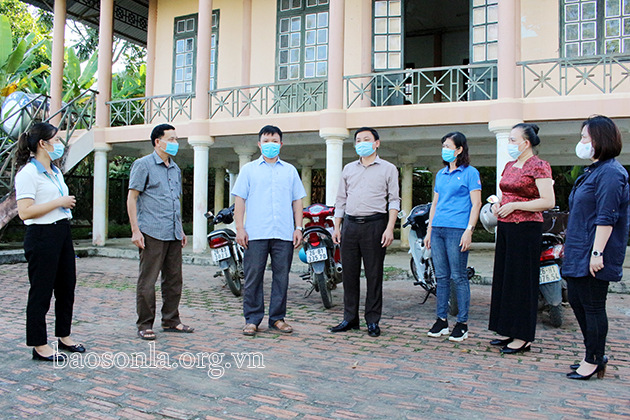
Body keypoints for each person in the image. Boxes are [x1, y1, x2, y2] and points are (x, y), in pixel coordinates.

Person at [562, 115, 629, 380]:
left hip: (594, 251)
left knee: (592, 306)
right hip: (580, 249)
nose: (581, 142)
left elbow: (607, 216)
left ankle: (594, 359)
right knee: (577, 301)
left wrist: (597, 253)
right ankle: (592, 354)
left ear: (600, 139)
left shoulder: (611, 173)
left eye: (584, 137)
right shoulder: (594, 170)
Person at [14, 122, 85, 361]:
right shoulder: (28, 173)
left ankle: (64, 336)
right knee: (41, 291)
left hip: (62, 231)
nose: (59, 144)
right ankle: (39, 345)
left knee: (66, 287)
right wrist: (59, 202)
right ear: (42, 144)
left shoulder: (55, 171)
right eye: (55, 140)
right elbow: (25, 211)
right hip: (42, 235)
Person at [232, 125, 306, 336]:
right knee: (253, 277)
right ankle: (252, 319)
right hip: (256, 232)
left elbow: (297, 201)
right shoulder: (249, 170)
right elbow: (240, 200)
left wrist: (298, 227)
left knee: (281, 277)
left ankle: (277, 318)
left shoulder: (290, 171)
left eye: (274, 141)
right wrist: (240, 228)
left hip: (284, 232)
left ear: (281, 144)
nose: (270, 145)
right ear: (259, 144)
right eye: (266, 141)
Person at [488, 123, 555, 354]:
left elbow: (548, 201)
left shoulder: (539, 166)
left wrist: (516, 205)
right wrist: (499, 204)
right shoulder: (509, 165)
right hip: (506, 227)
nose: (509, 144)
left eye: (513, 140)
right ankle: (507, 329)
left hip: (526, 229)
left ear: (526, 143)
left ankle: (523, 336)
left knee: (522, 282)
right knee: (505, 280)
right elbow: (505, 194)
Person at [330, 127, 401, 338]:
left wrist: (390, 228)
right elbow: (341, 199)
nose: (362, 143)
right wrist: (337, 226)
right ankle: (350, 318)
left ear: (376, 143)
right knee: (349, 274)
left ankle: (372, 320)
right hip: (350, 225)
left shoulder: (388, 169)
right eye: (358, 140)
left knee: (374, 275)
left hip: (375, 225)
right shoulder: (348, 169)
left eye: (366, 139)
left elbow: (394, 200)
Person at [127, 123, 193, 340]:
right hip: (151, 231)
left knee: (174, 279)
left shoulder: (175, 169)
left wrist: (180, 229)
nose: (175, 143)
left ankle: (171, 320)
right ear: (158, 141)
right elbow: (132, 198)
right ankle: (145, 324)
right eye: (171, 139)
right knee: (148, 280)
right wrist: (136, 231)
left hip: (172, 232)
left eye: (176, 139)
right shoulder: (143, 165)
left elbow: (174, 201)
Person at [425, 132, 482, 342]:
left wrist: (469, 230)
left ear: (459, 150)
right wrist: (429, 230)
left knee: (458, 276)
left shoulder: (470, 173)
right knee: (441, 277)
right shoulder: (441, 174)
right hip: (438, 229)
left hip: (457, 229)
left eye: (448, 146)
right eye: (443, 146)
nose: (445, 150)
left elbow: (476, 204)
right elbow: (435, 204)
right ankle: (441, 320)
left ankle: (462, 324)